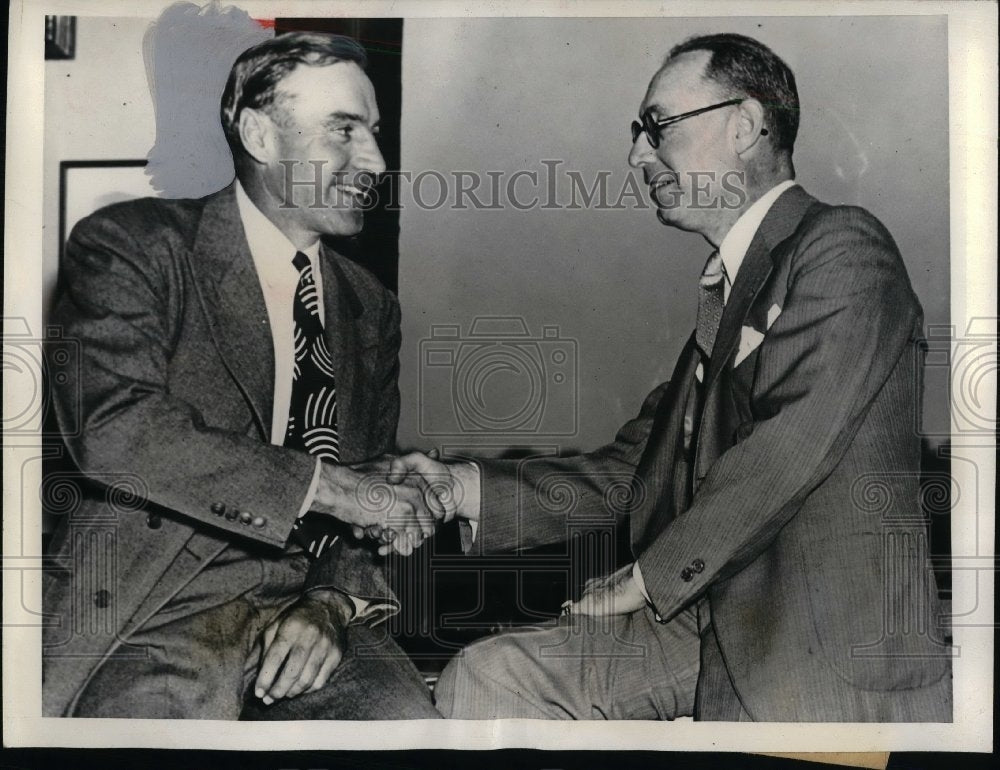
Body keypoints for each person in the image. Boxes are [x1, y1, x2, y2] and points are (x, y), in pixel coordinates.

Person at [389, 33, 952, 721]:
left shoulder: (844, 249)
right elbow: (634, 473)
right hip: (708, 624)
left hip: (817, 645)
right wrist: (462, 488)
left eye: (657, 127)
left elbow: (789, 445)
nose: (635, 155)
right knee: (489, 677)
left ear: (744, 125)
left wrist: (650, 577)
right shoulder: (723, 309)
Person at [43, 32, 442, 720]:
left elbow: (371, 480)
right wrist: (334, 490)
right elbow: (116, 430)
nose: (375, 161)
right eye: (344, 130)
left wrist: (330, 603)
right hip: (159, 605)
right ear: (260, 133)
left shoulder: (371, 307)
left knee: (409, 733)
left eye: (374, 133)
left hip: (305, 613)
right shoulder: (132, 246)